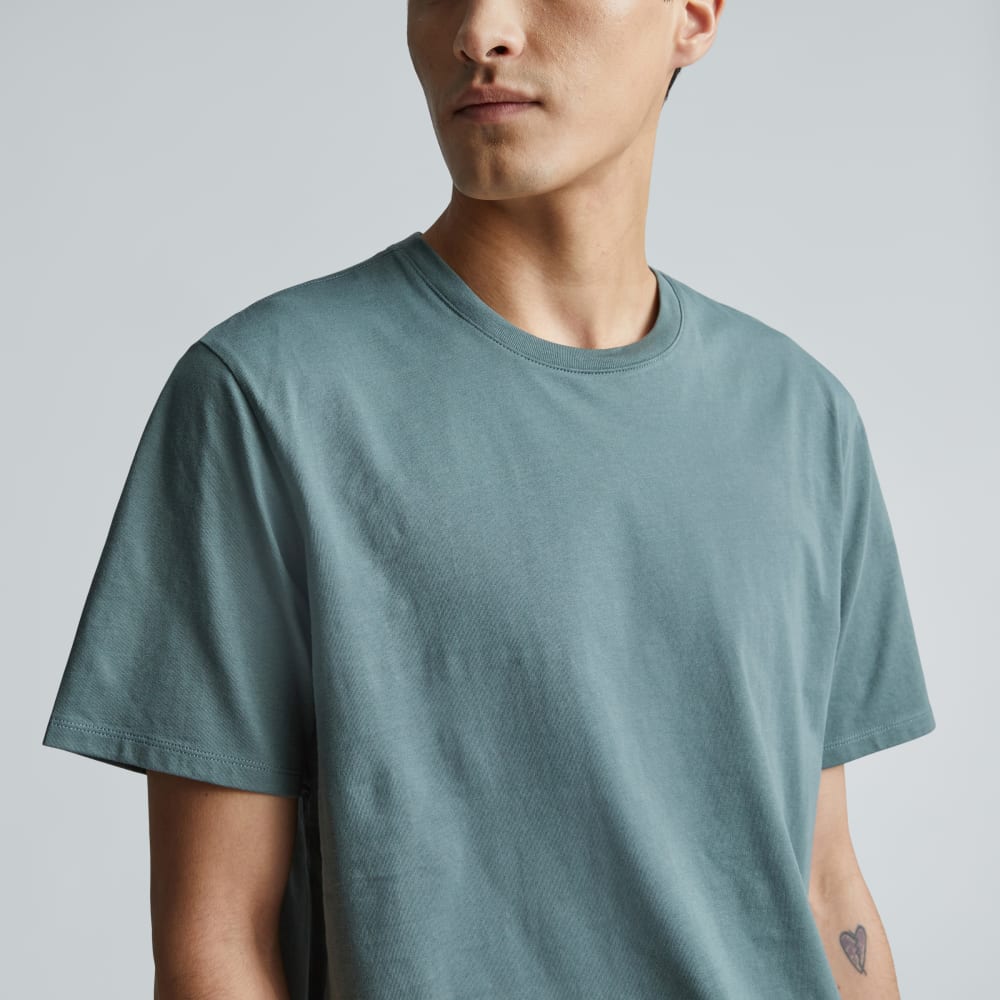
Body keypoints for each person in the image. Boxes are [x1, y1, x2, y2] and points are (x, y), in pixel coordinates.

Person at [42, 1, 937, 997]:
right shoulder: (265, 397)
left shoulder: (800, 415)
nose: (480, 32)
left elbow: (825, 887)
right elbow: (217, 941)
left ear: (692, 16)